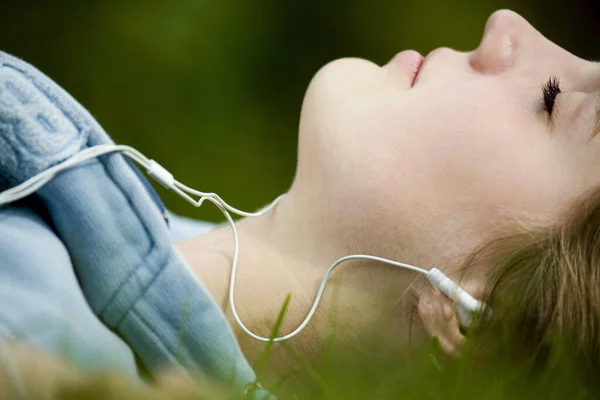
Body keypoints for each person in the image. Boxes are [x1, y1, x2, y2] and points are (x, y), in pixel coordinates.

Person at [1, 7, 599, 395]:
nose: (505, 24)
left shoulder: (39, 345)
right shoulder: (71, 212)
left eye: (554, 102)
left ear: (477, 323)